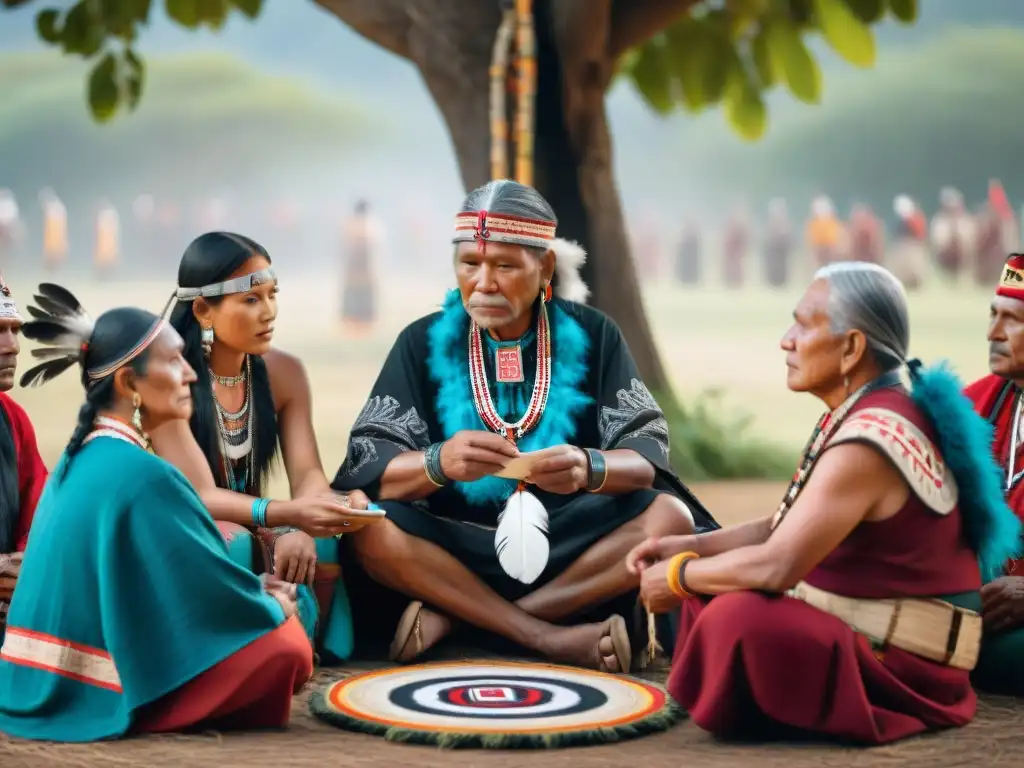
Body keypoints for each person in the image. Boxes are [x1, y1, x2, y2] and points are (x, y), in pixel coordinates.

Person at [333, 179, 718, 673]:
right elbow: (370, 465)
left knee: (670, 518)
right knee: (369, 526)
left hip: (573, 546)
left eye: (505, 266)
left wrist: (588, 466)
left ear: (546, 267)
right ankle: (546, 638)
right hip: (451, 549)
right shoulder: (420, 342)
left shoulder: (595, 335)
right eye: (470, 264)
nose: (484, 283)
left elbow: (645, 459)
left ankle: (464, 626)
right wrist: (439, 462)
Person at [631, 261, 1019, 744]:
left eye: (804, 323)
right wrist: (688, 547)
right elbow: (781, 525)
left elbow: (777, 566)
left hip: (904, 663)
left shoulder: (869, 439)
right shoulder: (861, 410)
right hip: (866, 624)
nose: (786, 339)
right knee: (718, 591)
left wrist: (678, 575)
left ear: (852, 348)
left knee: (735, 616)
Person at [0, 285, 313, 742]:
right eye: (174, 361)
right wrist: (274, 603)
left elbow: (177, 578)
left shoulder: (80, 456)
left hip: (27, 676)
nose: (190, 375)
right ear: (129, 384)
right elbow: (206, 594)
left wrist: (251, 592)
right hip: (85, 690)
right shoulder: (143, 475)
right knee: (289, 648)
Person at [159, 231, 381, 663]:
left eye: (272, 295)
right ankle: (234, 654)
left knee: (329, 535)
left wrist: (329, 508)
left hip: (255, 521)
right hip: (178, 528)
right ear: (203, 309)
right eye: (250, 299)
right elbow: (197, 498)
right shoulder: (169, 379)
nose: (269, 312)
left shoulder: (284, 373)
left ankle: (314, 650)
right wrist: (287, 518)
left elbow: (307, 474)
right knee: (235, 541)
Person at [964, 251, 1024, 695]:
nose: (992, 333)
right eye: (992, 314)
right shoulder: (970, 406)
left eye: (1012, 320)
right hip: (978, 601)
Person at [0, 275, 48, 636]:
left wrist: (25, 563)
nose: (12, 346)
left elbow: (41, 514)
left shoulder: (13, 419)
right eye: (0, 331)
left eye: (15, 330)